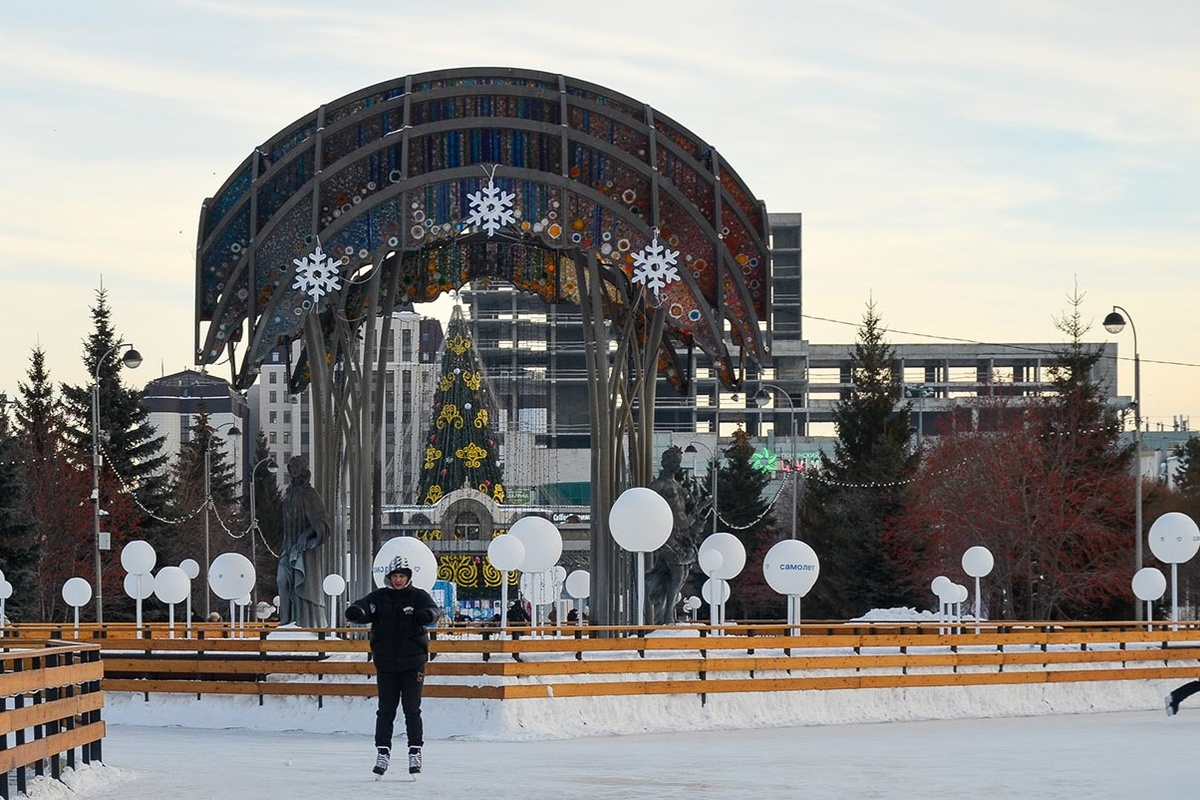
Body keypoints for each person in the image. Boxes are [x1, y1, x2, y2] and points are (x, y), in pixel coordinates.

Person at [346, 555, 439, 777]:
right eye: (395, 576)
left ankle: (415, 750)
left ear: (408, 577)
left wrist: (427, 615)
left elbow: (434, 612)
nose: (398, 580)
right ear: (389, 577)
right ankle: (382, 752)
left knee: (411, 708)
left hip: (413, 663)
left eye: (402, 576)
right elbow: (364, 607)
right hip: (386, 663)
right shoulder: (380, 597)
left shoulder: (419, 596)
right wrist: (356, 612)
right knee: (385, 710)